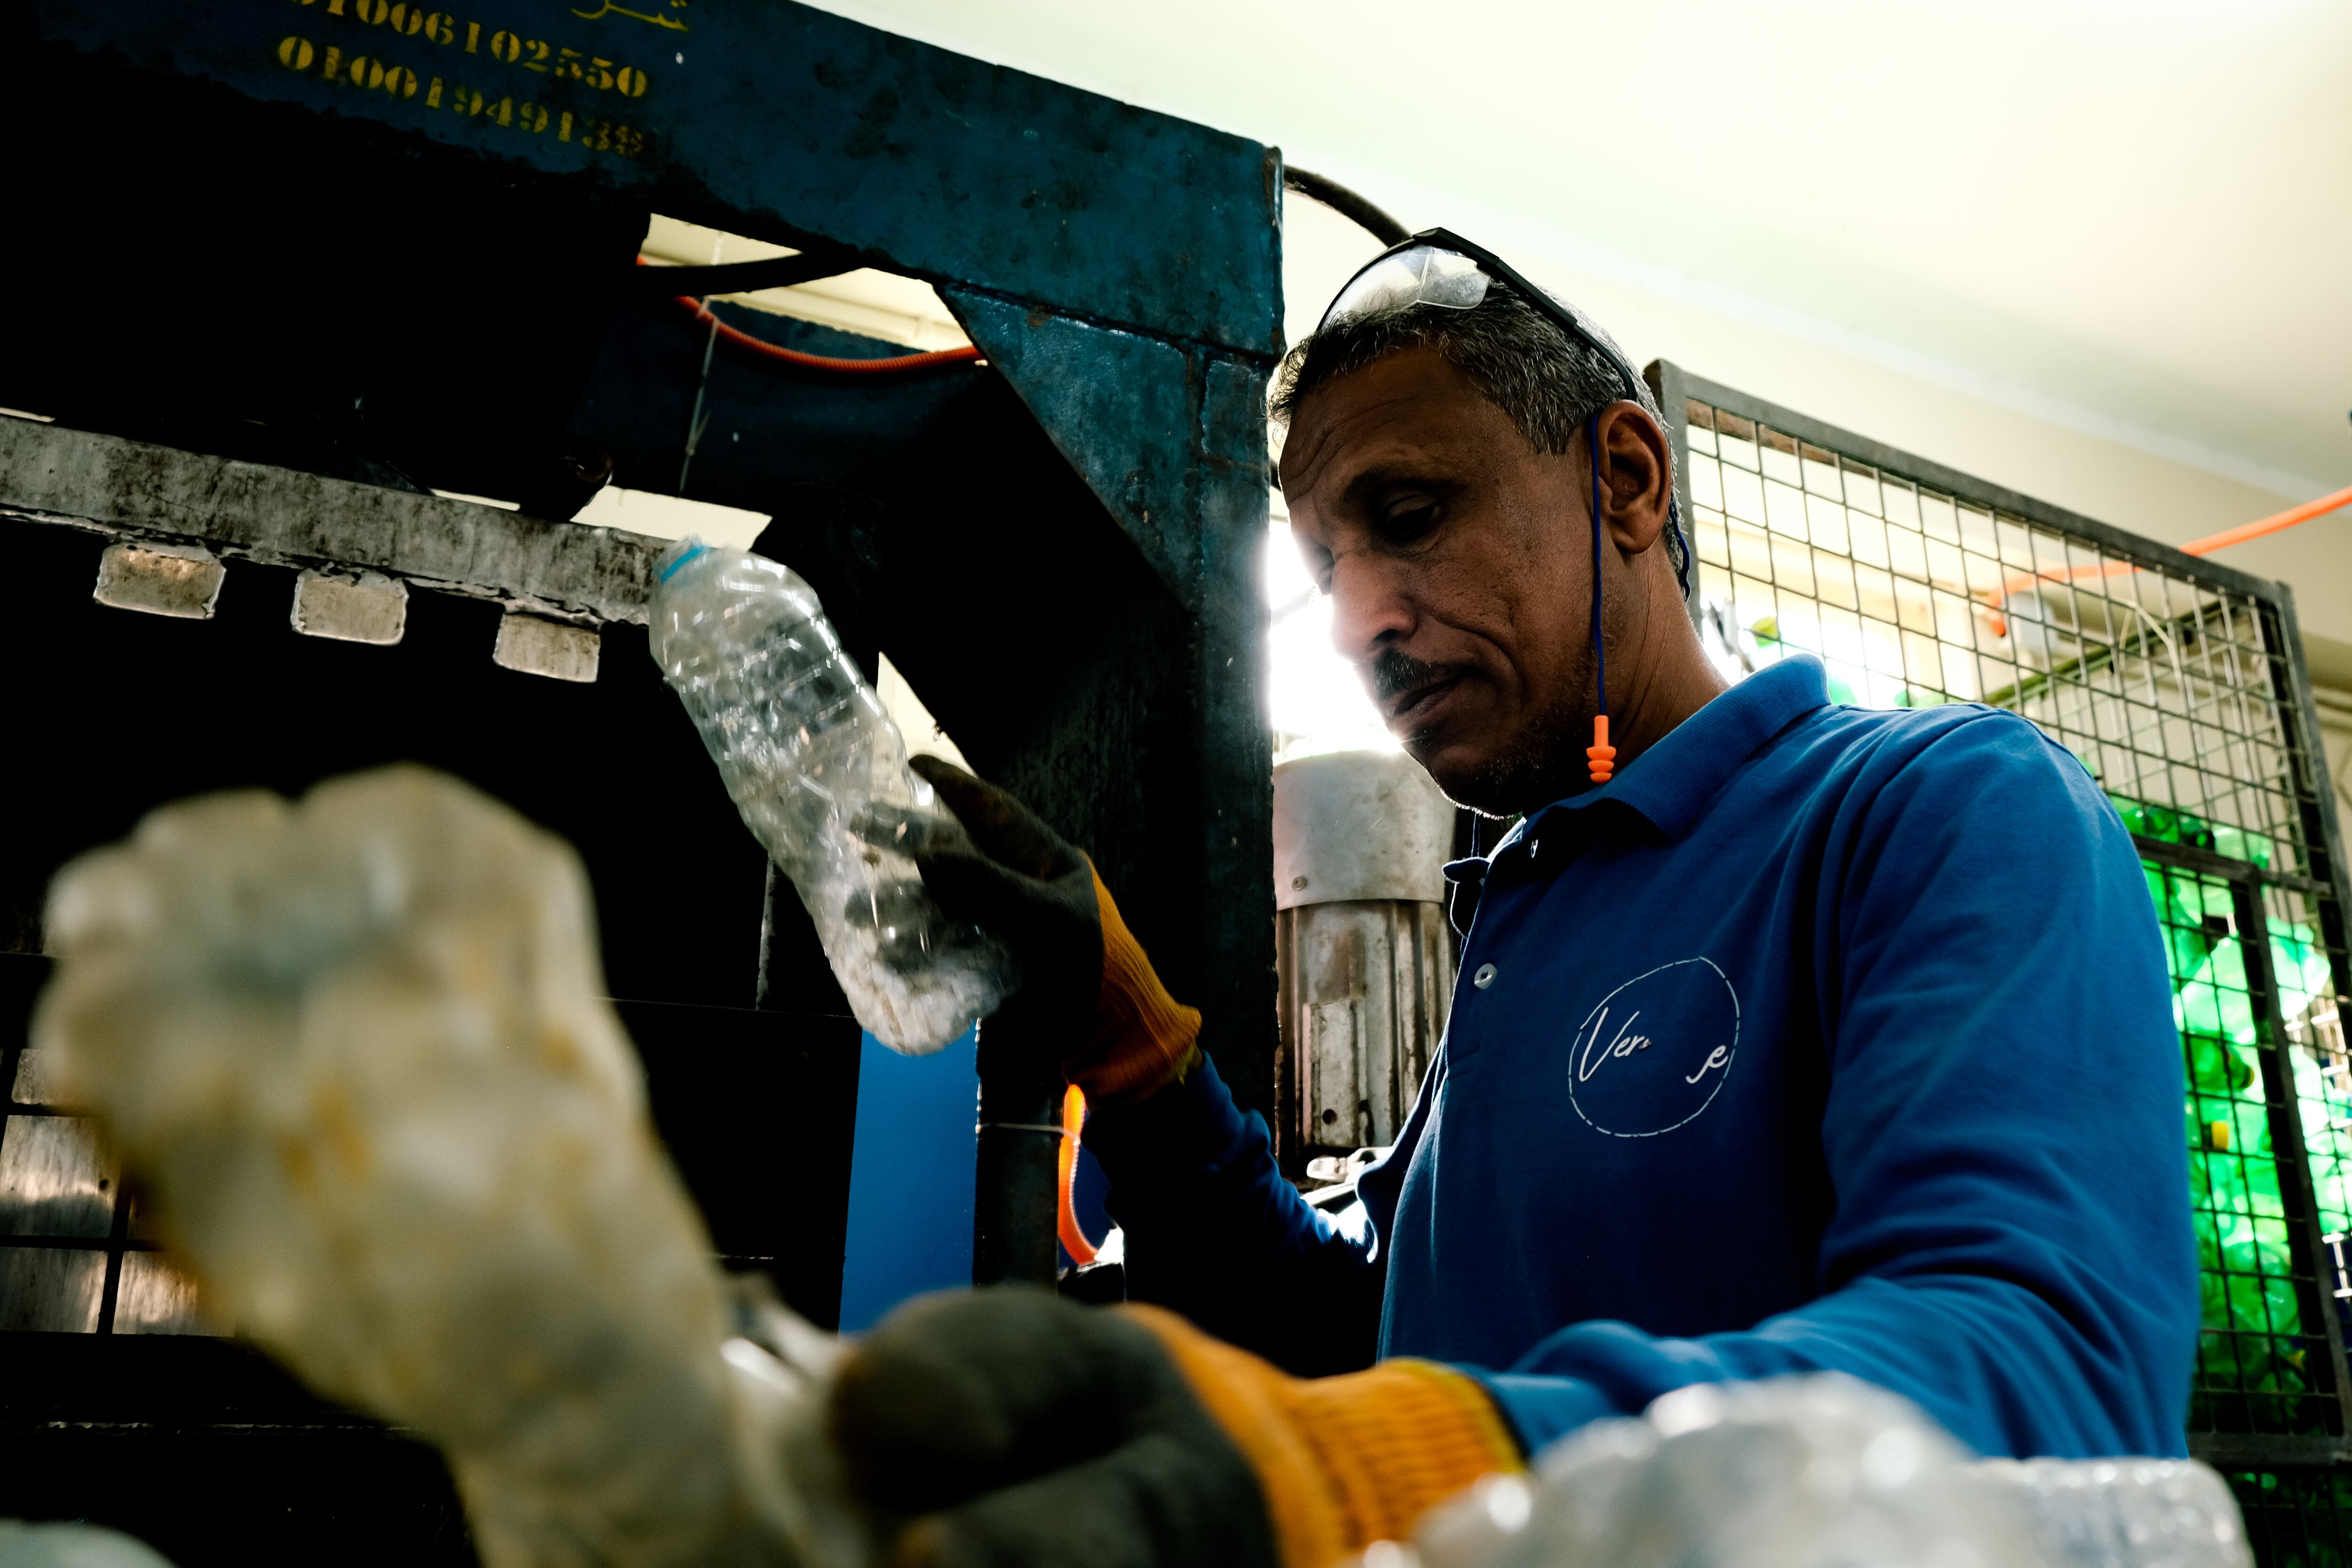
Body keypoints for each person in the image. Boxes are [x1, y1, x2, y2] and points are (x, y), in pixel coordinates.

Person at [826, 233, 2199, 1568]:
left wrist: (1435, 1458)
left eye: (1409, 519)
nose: (1360, 620)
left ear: (1625, 475)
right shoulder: (1520, 912)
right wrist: (1129, 1052)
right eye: (1323, 575)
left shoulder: (1937, 813)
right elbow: (1356, 1332)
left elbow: (2035, 1371)